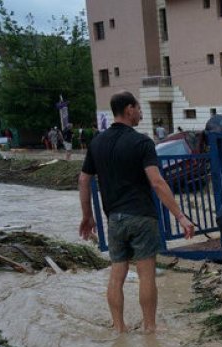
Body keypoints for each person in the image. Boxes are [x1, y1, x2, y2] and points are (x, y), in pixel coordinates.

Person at [78, 91, 194, 334]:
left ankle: (119, 328)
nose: (141, 113)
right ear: (129, 109)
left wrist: (87, 216)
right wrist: (180, 216)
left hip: (114, 220)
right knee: (146, 275)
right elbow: (157, 182)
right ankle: (150, 328)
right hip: (141, 216)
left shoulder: (97, 142)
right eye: (139, 109)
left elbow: (84, 180)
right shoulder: (142, 142)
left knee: (116, 275)